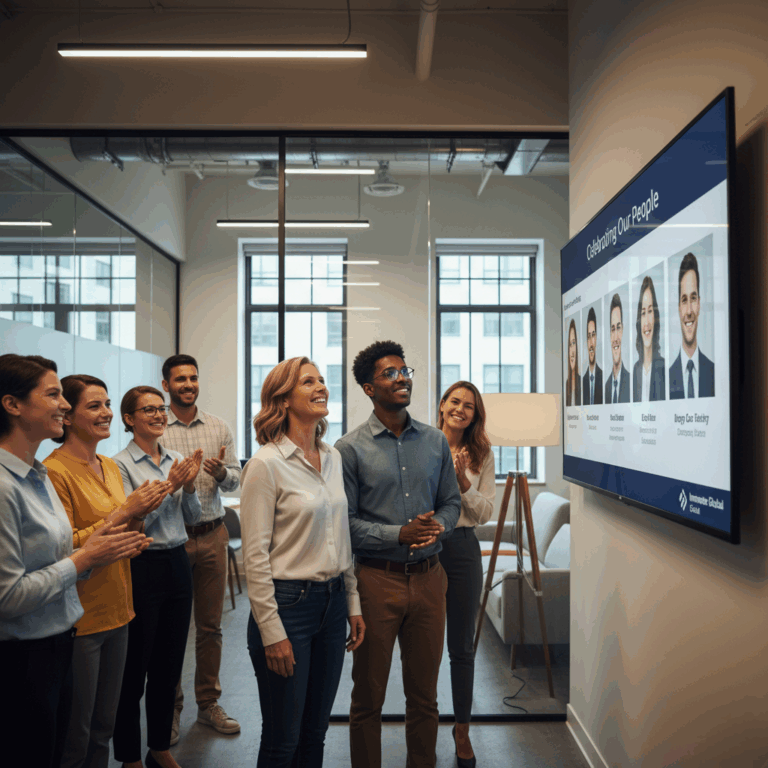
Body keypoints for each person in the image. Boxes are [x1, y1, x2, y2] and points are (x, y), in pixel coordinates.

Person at [0, 355, 147, 768]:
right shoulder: (19, 481)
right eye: (53, 394)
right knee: (65, 746)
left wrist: (112, 541)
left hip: (65, 630)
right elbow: (9, 595)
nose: (63, 405)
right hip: (29, 650)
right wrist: (87, 557)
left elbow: (67, 545)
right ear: (12, 405)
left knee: (91, 733)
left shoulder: (36, 476)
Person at [336, 340, 461, 768]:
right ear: (369, 389)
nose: (402, 378)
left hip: (430, 579)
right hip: (376, 582)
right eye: (390, 373)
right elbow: (346, 524)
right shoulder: (348, 449)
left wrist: (436, 527)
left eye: (405, 370)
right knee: (368, 698)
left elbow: (452, 503)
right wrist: (399, 534)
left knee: (424, 697)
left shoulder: (435, 441)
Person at [241, 356, 365, 768]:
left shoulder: (332, 457)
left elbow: (340, 536)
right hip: (287, 606)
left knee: (315, 733)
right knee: (283, 739)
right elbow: (254, 558)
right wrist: (272, 631)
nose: (321, 387)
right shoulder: (265, 464)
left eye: (322, 380)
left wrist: (352, 603)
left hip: (331, 606)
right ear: (284, 398)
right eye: (307, 381)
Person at [44, 375, 169, 768]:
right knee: (75, 735)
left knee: (104, 727)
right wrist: (127, 512)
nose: (106, 413)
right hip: (81, 618)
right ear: (68, 416)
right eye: (94, 406)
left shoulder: (109, 467)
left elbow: (126, 528)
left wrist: (140, 521)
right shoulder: (54, 471)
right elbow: (65, 546)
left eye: (108, 404)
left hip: (120, 611)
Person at [112, 386, 205, 768]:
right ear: (129, 419)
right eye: (147, 409)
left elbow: (193, 517)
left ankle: (159, 747)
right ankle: (130, 755)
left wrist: (190, 485)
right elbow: (131, 524)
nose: (157, 414)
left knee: (169, 665)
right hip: (141, 564)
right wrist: (171, 489)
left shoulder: (177, 458)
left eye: (160, 408)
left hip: (177, 563)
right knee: (135, 668)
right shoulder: (118, 465)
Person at [159, 354, 241, 741]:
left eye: (193, 378)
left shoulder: (219, 426)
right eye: (180, 379)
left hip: (212, 534)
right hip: (171, 540)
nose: (188, 384)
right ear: (166, 385)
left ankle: (208, 704)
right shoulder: (157, 429)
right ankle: (169, 710)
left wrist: (222, 472)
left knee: (210, 627)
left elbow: (236, 482)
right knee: (170, 629)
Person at [436, 381, 495, 768]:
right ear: (442, 406)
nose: (461, 409)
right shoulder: (422, 443)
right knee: (421, 647)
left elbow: (485, 512)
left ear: (475, 414)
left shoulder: (482, 454)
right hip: (424, 547)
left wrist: (463, 487)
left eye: (469, 406)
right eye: (455, 401)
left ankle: (461, 729)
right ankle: (422, 723)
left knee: (462, 647)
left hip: (462, 550)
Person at [669, 252, 715, 399]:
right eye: (684, 300)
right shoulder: (666, 378)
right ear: (678, 308)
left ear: (699, 304)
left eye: (693, 298)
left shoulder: (714, 373)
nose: (689, 311)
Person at [632, 276, 666, 402]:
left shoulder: (665, 369)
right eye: (643, 313)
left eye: (650, 311)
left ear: (655, 317)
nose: (646, 322)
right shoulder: (635, 371)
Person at [604, 293, 630, 403]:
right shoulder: (606, 387)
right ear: (609, 334)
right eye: (612, 329)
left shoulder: (631, 382)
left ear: (623, 330)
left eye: (618, 328)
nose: (615, 338)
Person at [582, 307, 603, 405]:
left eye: (593, 335)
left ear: (597, 338)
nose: (591, 343)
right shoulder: (581, 382)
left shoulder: (603, 379)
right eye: (588, 336)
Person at [565, 319, 581, 406]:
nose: (572, 352)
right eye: (570, 345)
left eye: (574, 343)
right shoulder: (567, 383)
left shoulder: (582, 382)